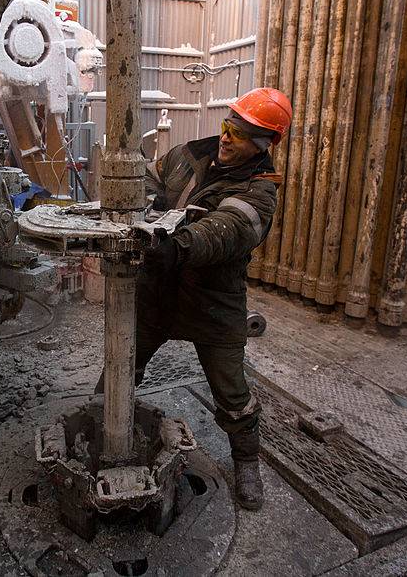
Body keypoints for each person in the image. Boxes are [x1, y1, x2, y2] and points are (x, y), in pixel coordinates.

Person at [108, 87, 291, 511]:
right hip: (158, 288)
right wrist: (144, 206)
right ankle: (107, 423)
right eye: (228, 126)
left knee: (232, 392)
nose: (227, 137)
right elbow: (151, 180)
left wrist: (177, 244)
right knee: (122, 364)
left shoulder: (260, 190)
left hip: (212, 298)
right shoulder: (188, 154)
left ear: (265, 144)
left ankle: (246, 461)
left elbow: (228, 230)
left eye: (241, 134)